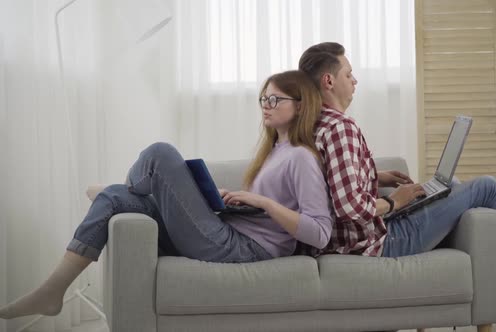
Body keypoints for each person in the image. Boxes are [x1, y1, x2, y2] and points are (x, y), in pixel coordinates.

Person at [0, 70, 333, 319]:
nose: (266, 105)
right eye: (264, 98)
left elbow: (319, 233)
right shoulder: (276, 151)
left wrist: (262, 201)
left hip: (246, 250)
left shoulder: (302, 156)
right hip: (230, 232)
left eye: (275, 99)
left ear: (301, 107)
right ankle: (53, 291)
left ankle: (129, 187)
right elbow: (261, 215)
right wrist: (229, 199)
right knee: (113, 201)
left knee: (160, 154)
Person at [297, 41, 496, 311]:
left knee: (452, 187)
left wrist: (377, 175)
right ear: (329, 81)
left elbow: (334, 179)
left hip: (353, 241)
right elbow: (348, 208)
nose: (355, 80)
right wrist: (395, 202)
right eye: (349, 74)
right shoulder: (340, 128)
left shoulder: (317, 124)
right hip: (376, 244)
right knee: (486, 186)